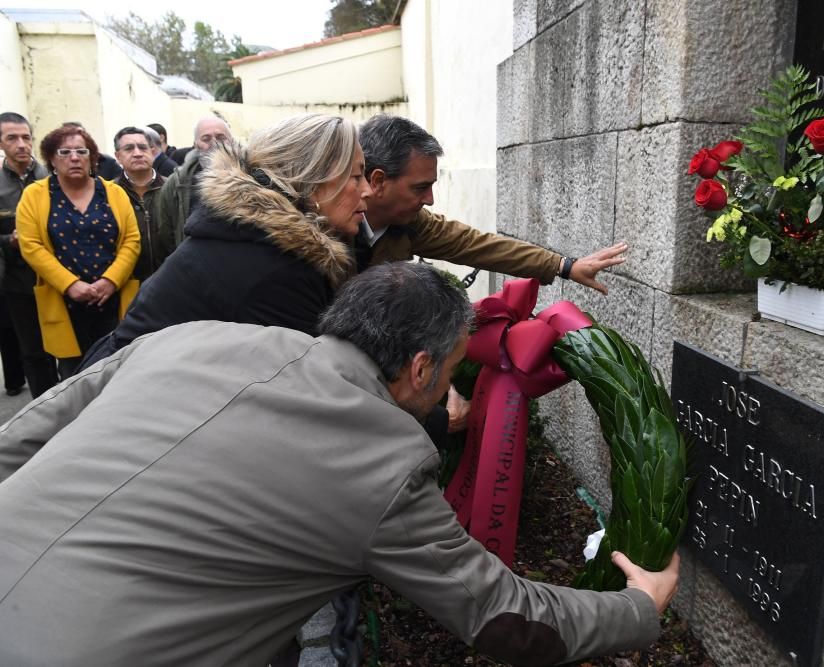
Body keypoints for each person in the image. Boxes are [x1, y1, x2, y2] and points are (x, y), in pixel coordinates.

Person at [0, 262, 680, 667]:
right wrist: (636, 609)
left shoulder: (188, 337)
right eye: (450, 374)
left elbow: (18, 441)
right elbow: (504, 616)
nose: (451, 392)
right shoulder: (383, 460)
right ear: (419, 369)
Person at [80, 113, 362, 367]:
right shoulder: (271, 266)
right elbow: (307, 380)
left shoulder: (261, 240)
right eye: (357, 176)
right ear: (313, 181)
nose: (368, 190)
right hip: (124, 395)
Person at [359, 114, 627, 294]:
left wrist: (564, 266)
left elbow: (476, 244)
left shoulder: (412, 224)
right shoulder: (326, 234)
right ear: (379, 181)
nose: (430, 200)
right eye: (420, 188)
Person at [15, 124, 140, 378]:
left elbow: (131, 240)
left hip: (112, 299)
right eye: (64, 152)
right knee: (74, 377)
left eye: (81, 151)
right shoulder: (34, 195)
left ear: (92, 158)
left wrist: (110, 281)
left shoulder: (114, 193)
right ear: (51, 158)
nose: (74, 157)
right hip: (65, 300)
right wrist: (70, 284)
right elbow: (31, 246)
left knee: (118, 369)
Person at [0, 112, 52, 396]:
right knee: (32, 351)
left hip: (57, 277)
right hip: (18, 282)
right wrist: (10, 240)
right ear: (1, 143)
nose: (21, 144)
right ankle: (42, 405)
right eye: (12, 138)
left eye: (26, 137)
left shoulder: (51, 178)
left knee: (64, 345)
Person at [156, 115, 233, 254]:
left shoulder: (252, 176)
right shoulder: (176, 182)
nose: (214, 143)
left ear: (232, 141)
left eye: (221, 137)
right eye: (206, 139)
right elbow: (166, 233)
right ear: (196, 144)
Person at [112, 126, 167, 280]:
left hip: (171, 281)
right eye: (129, 149)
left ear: (153, 151)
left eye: (143, 147)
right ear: (118, 156)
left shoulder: (172, 188)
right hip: (127, 282)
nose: (137, 153)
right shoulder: (109, 193)